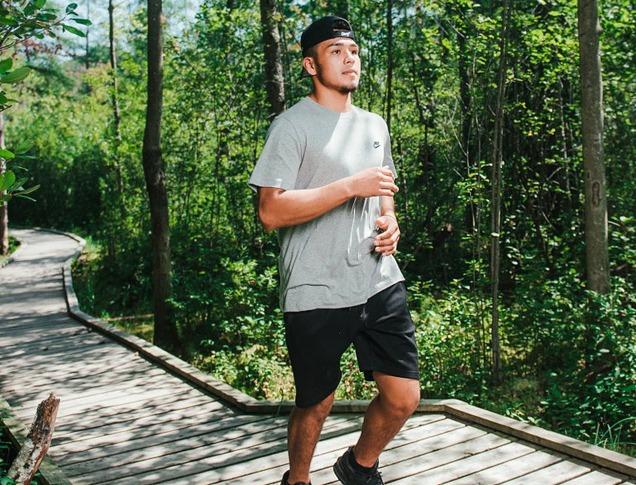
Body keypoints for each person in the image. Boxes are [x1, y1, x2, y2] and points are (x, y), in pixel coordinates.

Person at [247, 15, 420, 485]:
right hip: (315, 287)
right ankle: (297, 480)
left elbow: (383, 187)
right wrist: (347, 187)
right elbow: (271, 212)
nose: (349, 59)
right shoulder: (291, 126)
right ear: (310, 64)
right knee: (317, 401)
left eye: (354, 51)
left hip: (378, 279)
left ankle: (358, 466)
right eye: (335, 52)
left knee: (404, 397)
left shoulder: (374, 124)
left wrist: (390, 221)